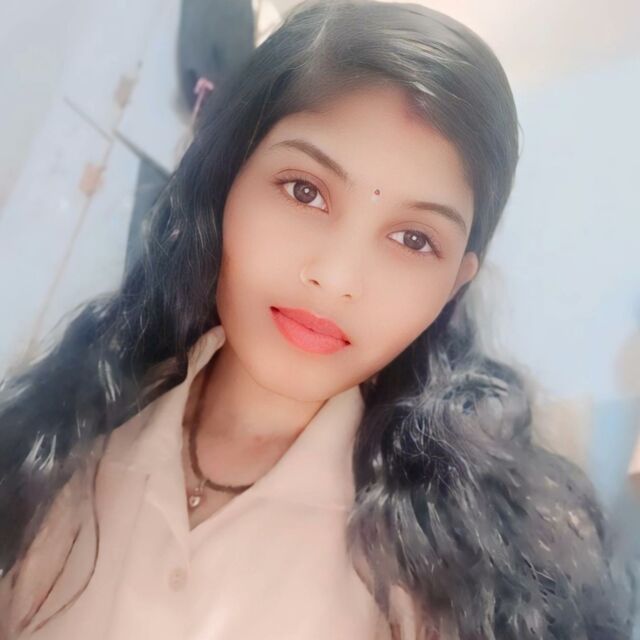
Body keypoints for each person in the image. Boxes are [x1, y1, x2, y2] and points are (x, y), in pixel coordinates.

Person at [0, 1, 634, 638]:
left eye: (414, 240)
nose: (335, 278)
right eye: (304, 191)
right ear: (226, 179)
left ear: (454, 286)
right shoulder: (51, 461)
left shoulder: (466, 585)